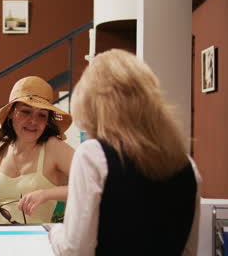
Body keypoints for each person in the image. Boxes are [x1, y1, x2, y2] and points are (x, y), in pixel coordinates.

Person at [49, 49, 201, 256]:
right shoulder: (187, 164)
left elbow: (74, 250)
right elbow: (189, 250)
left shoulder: (93, 156)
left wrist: (55, 232)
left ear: (92, 104)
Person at [0, 76, 75, 225]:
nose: (33, 121)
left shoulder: (53, 147)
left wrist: (46, 194)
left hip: (34, 243)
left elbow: (92, 185)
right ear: (11, 113)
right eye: (26, 111)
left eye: (42, 115)